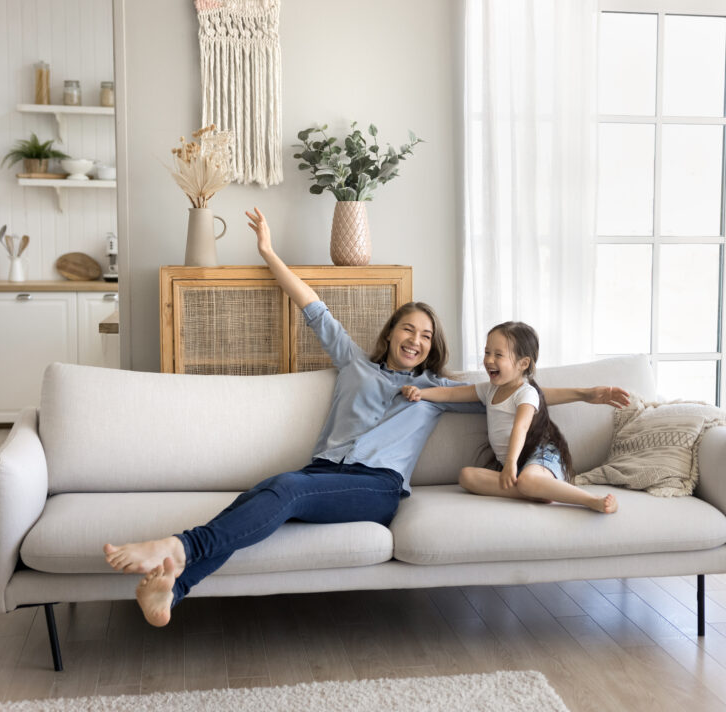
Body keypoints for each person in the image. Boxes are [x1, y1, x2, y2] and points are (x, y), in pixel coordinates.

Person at [105, 207, 629, 627]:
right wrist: (268, 252)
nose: (416, 340)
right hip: (323, 474)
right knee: (266, 490)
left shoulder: (442, 390)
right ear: (392, 332)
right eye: (409, 329)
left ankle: (176, 547)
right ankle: (176, 584)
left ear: (432, 348)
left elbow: (521, 391)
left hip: (375, 488)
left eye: (426, 336)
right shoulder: (353, 363)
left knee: (283, 490)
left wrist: (587, 391)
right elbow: (312, 306)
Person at [401, 321, 618, 514]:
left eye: (498, 355)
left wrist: (511, 464)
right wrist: (422, 393)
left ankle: (590, 500)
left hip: (540, 458)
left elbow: (520, 428)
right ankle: (534, 491)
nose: (488, 360)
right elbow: (450, 393)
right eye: (487, 353)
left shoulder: (527, 393)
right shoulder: (489, 390)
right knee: (467, 476)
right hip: (515, 468)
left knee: (528, 478)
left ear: (523, 364)